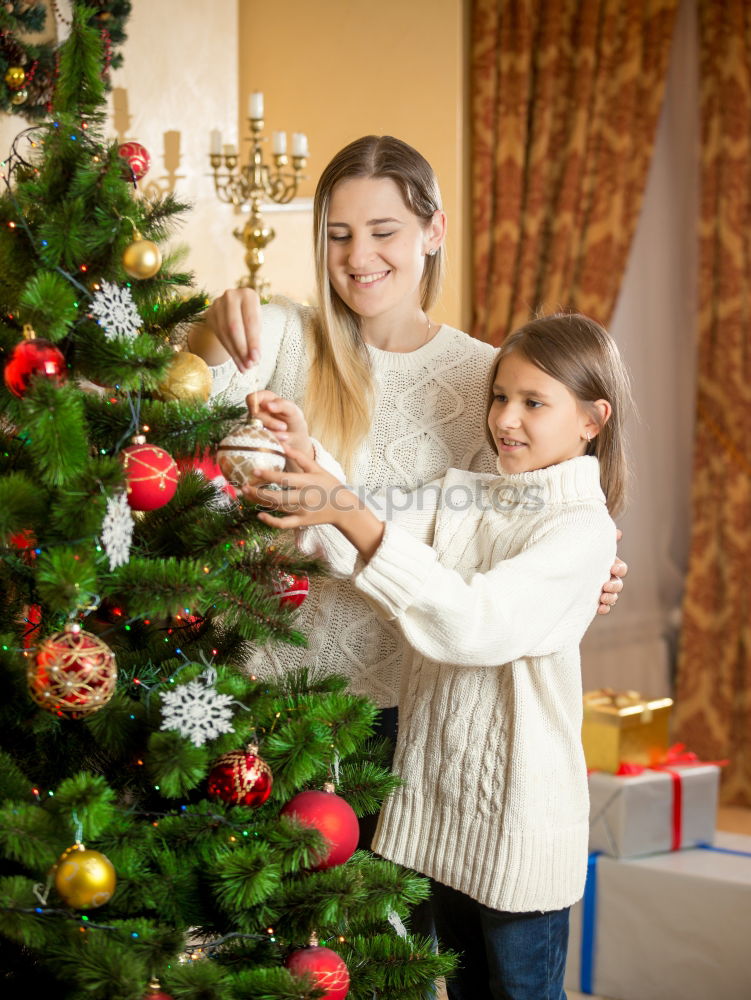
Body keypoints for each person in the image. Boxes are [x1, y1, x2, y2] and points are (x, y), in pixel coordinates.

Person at [242, 312, 632, 1000]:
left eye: (533, 402)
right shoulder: (470, 494)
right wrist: (309, 460)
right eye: (499, 397)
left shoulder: (580, 531)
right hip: (441, 828)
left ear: (591, 421)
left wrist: (343, 511)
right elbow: (364, 528)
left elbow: (471, 623)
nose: (505, 419)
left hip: (518, 837)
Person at [188, 135, 626, 723]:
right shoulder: (286, 331)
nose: (358, 256)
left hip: (396, 705)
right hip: (250, 681)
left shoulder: (487, 379)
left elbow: (517, 514)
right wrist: (211, 328)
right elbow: (181, 402)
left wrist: (588, 565)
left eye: (383, 231)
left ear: (434, 231)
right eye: (338, 235)